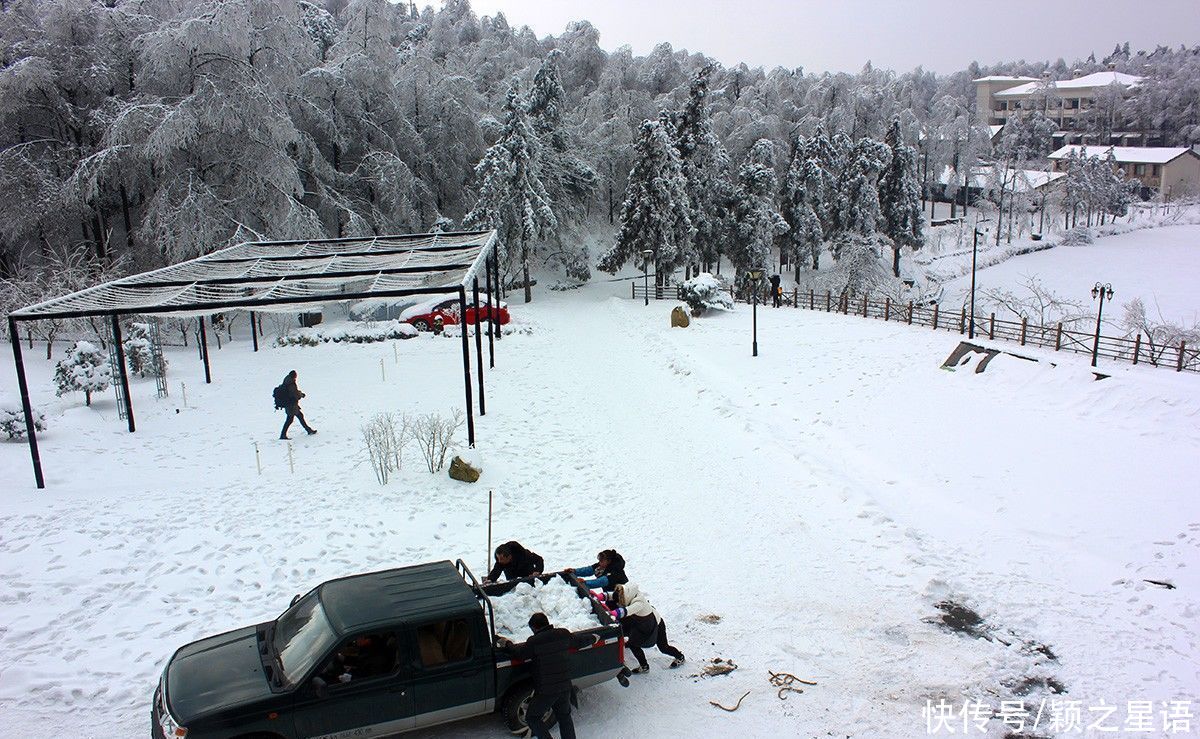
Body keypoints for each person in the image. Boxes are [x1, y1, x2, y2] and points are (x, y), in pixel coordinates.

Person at [496, 613, 597, 739]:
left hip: (547, 690)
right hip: (565, 686)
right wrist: (594, 638)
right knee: (564, 717)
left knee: (532, 718)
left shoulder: (534, 641)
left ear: (534, 628)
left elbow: (520, 654)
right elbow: (579, 641)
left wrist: (507, 644)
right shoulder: (563, 634)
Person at [606, 583, 684, 673]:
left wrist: (612, 614)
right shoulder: (630, 593)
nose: (620, 602)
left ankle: (680, 657)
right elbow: (615, 596)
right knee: (632, 643)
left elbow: (626, 611)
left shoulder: (638, 603)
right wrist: (602, 596)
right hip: (644, 623)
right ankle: (644, 666)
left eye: (621, 600)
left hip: (657, 625)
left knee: (663, 647)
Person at [277, 370, 316, 440]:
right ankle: (283, 435)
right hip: (291, 405)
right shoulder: (291, 384)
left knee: (299, 416)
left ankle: (308, 430)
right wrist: (301, 395)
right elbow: (294, 394)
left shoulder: (287, 381)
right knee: (290, 419)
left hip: (289, 404)